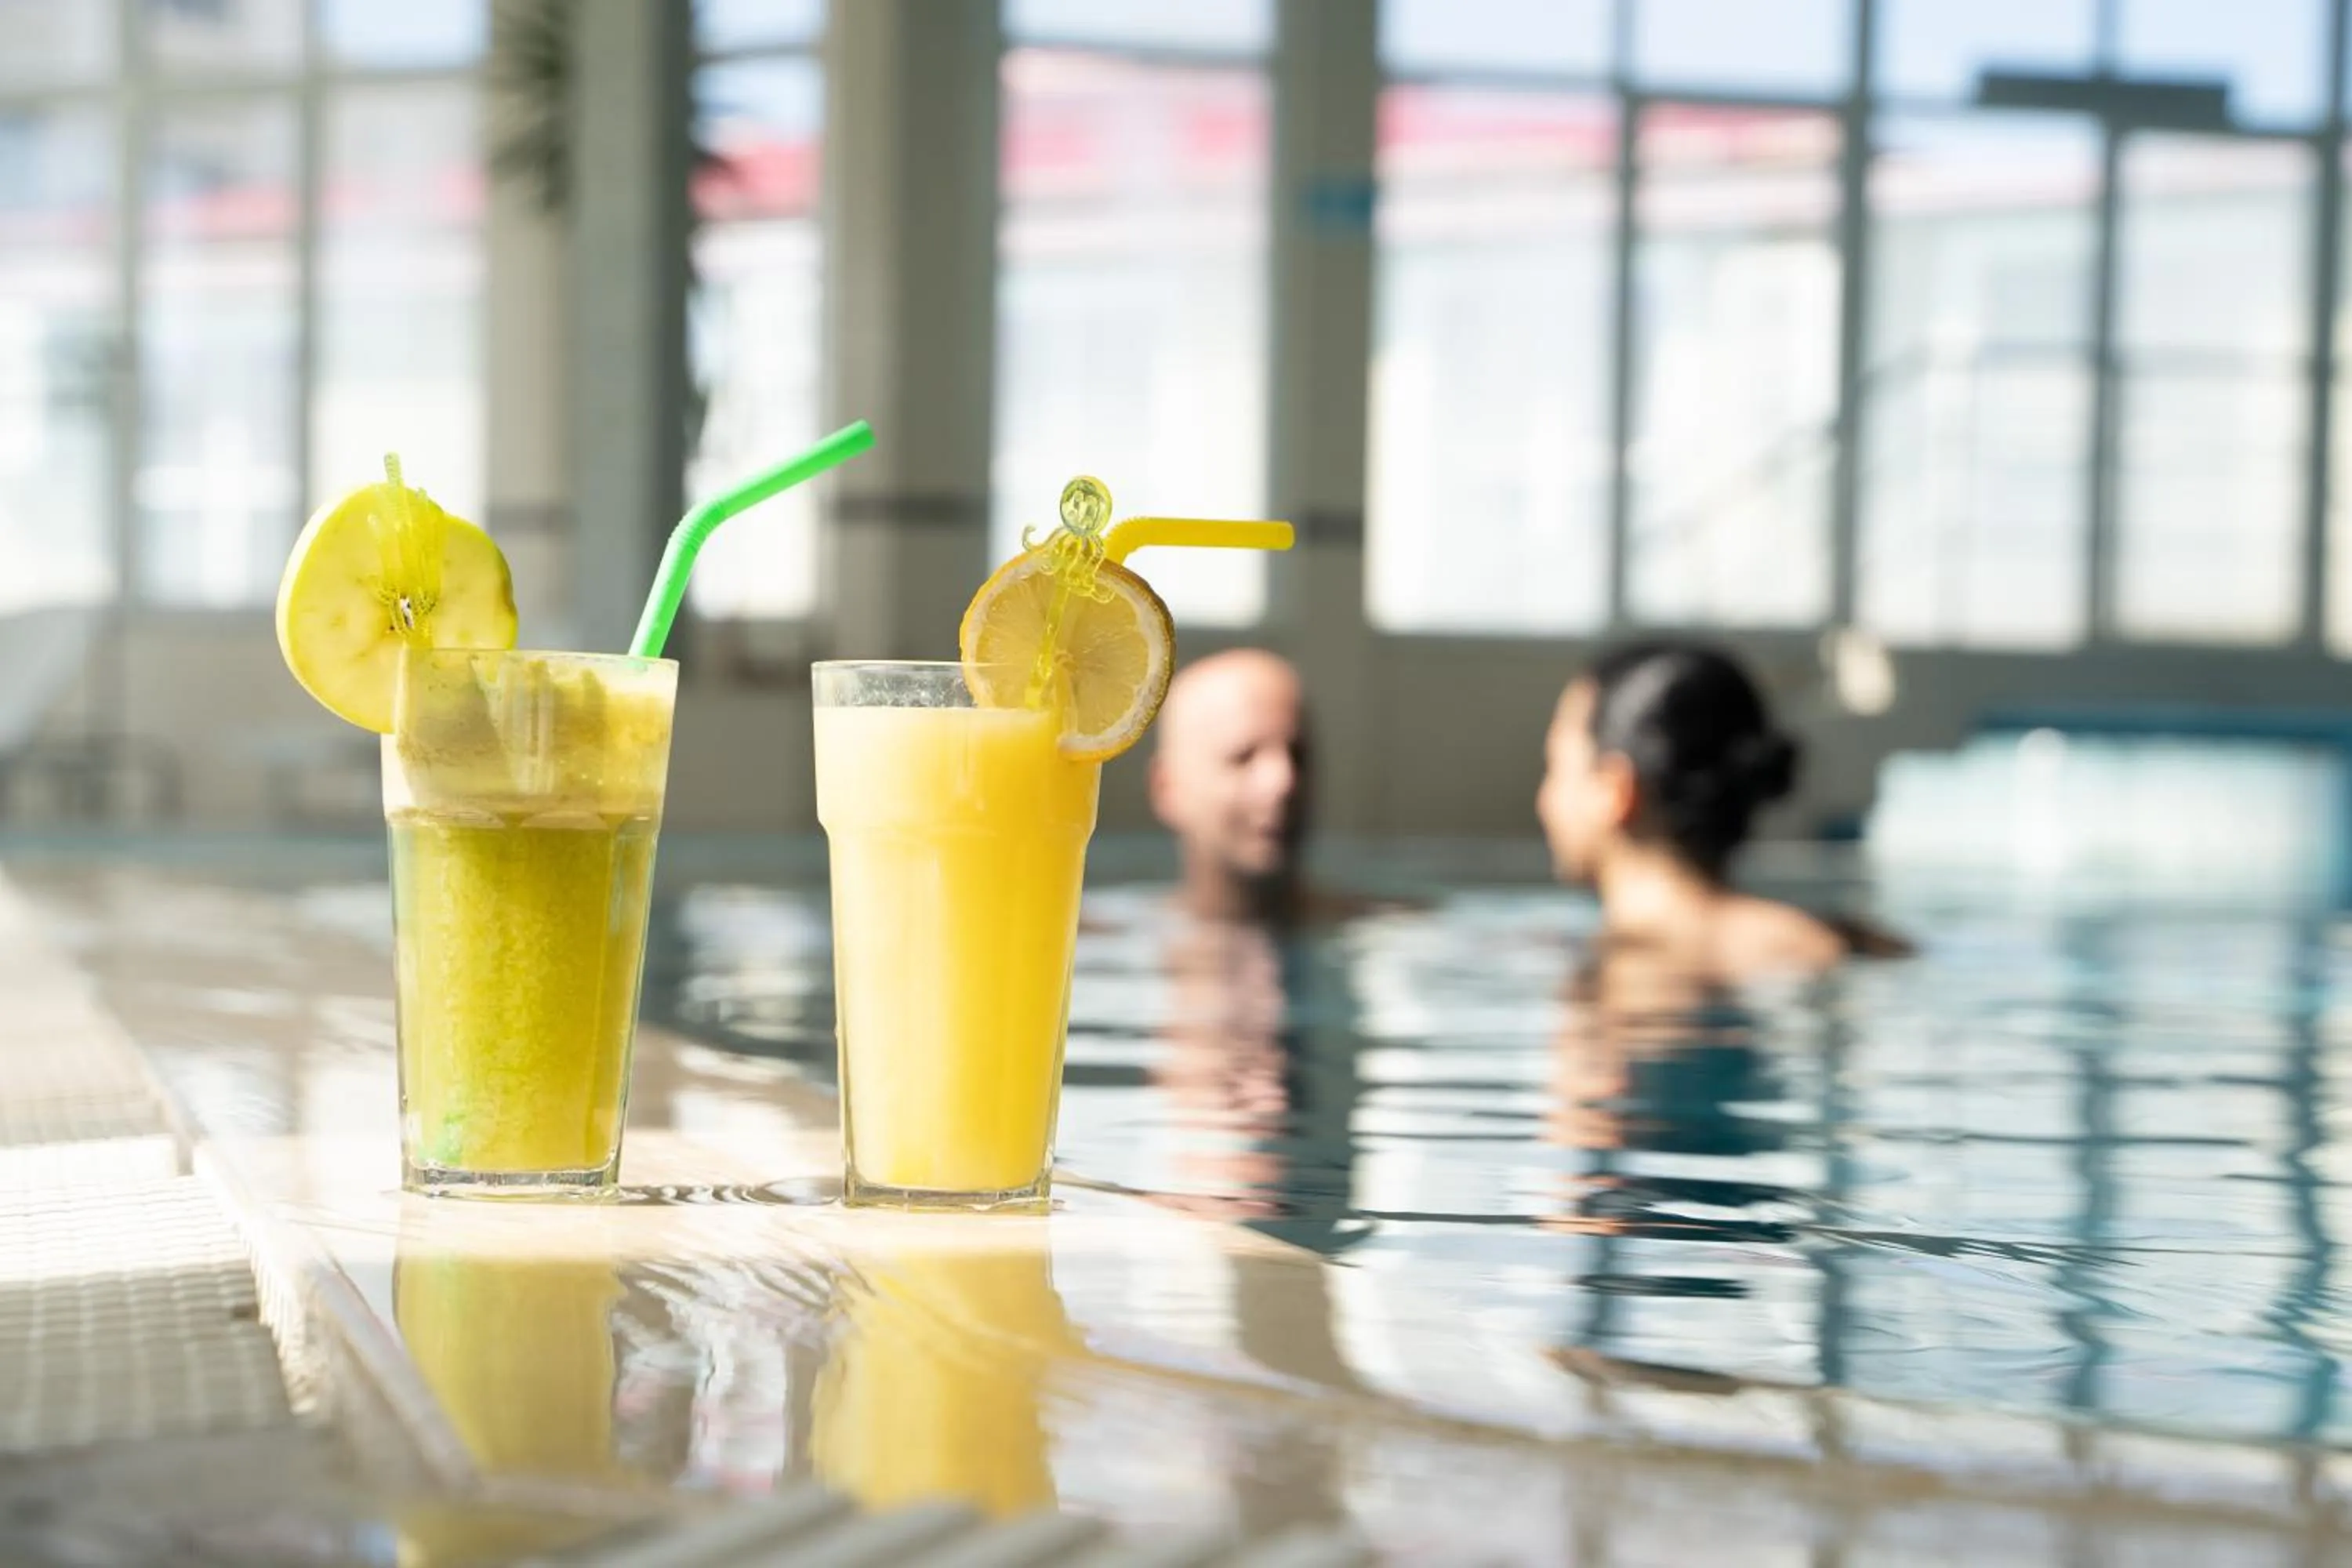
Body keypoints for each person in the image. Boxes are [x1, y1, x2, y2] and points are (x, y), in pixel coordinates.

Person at [1536, 638, 1906, 981]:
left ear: (1615, 792)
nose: (1545, 800)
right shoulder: (1842, 943)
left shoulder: (1595, 965)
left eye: (1554, 768)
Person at [1149, 648, 1312, 925]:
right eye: (1243, 757)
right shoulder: (1082, 938)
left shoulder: (1383, 925)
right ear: (1168, 790)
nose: (1284, 781)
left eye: (1297, 756)